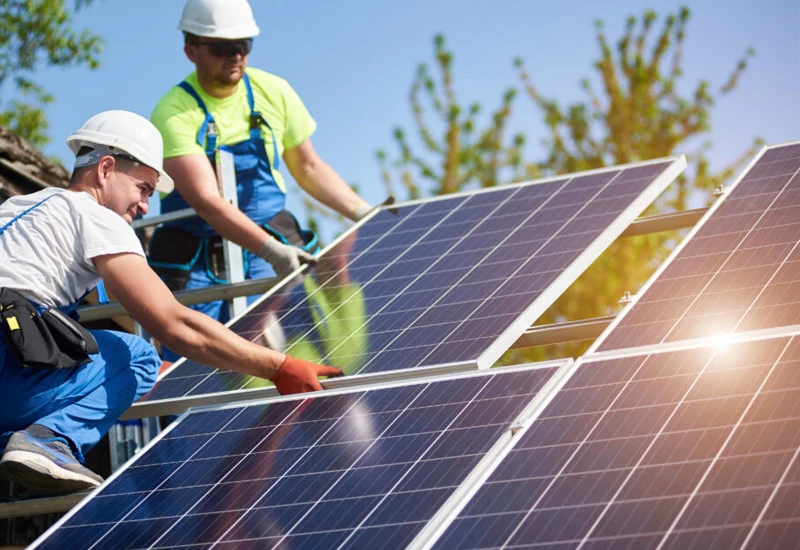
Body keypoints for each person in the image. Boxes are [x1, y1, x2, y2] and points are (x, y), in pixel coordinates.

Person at [0, 110, 342, 495]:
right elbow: (173, 322)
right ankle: (47, 442)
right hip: (8, 366)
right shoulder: (96, 217)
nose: (145, 206)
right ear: (106, 168)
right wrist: (278, 365)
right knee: (137, 357)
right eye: (144, 187)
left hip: (12, 354)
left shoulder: (19, 210)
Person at [149, 0, 373, 360]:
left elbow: (309, 168)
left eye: (243, 45)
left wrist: (363, 211)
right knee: (199, 370)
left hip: (272, 242)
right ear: (191, 50)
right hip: (198, 262)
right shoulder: (173, 111)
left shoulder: (274, 92)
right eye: (222, 47)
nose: (235, 56)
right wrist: (271, 250)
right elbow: (208, 200)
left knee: (305, 350)